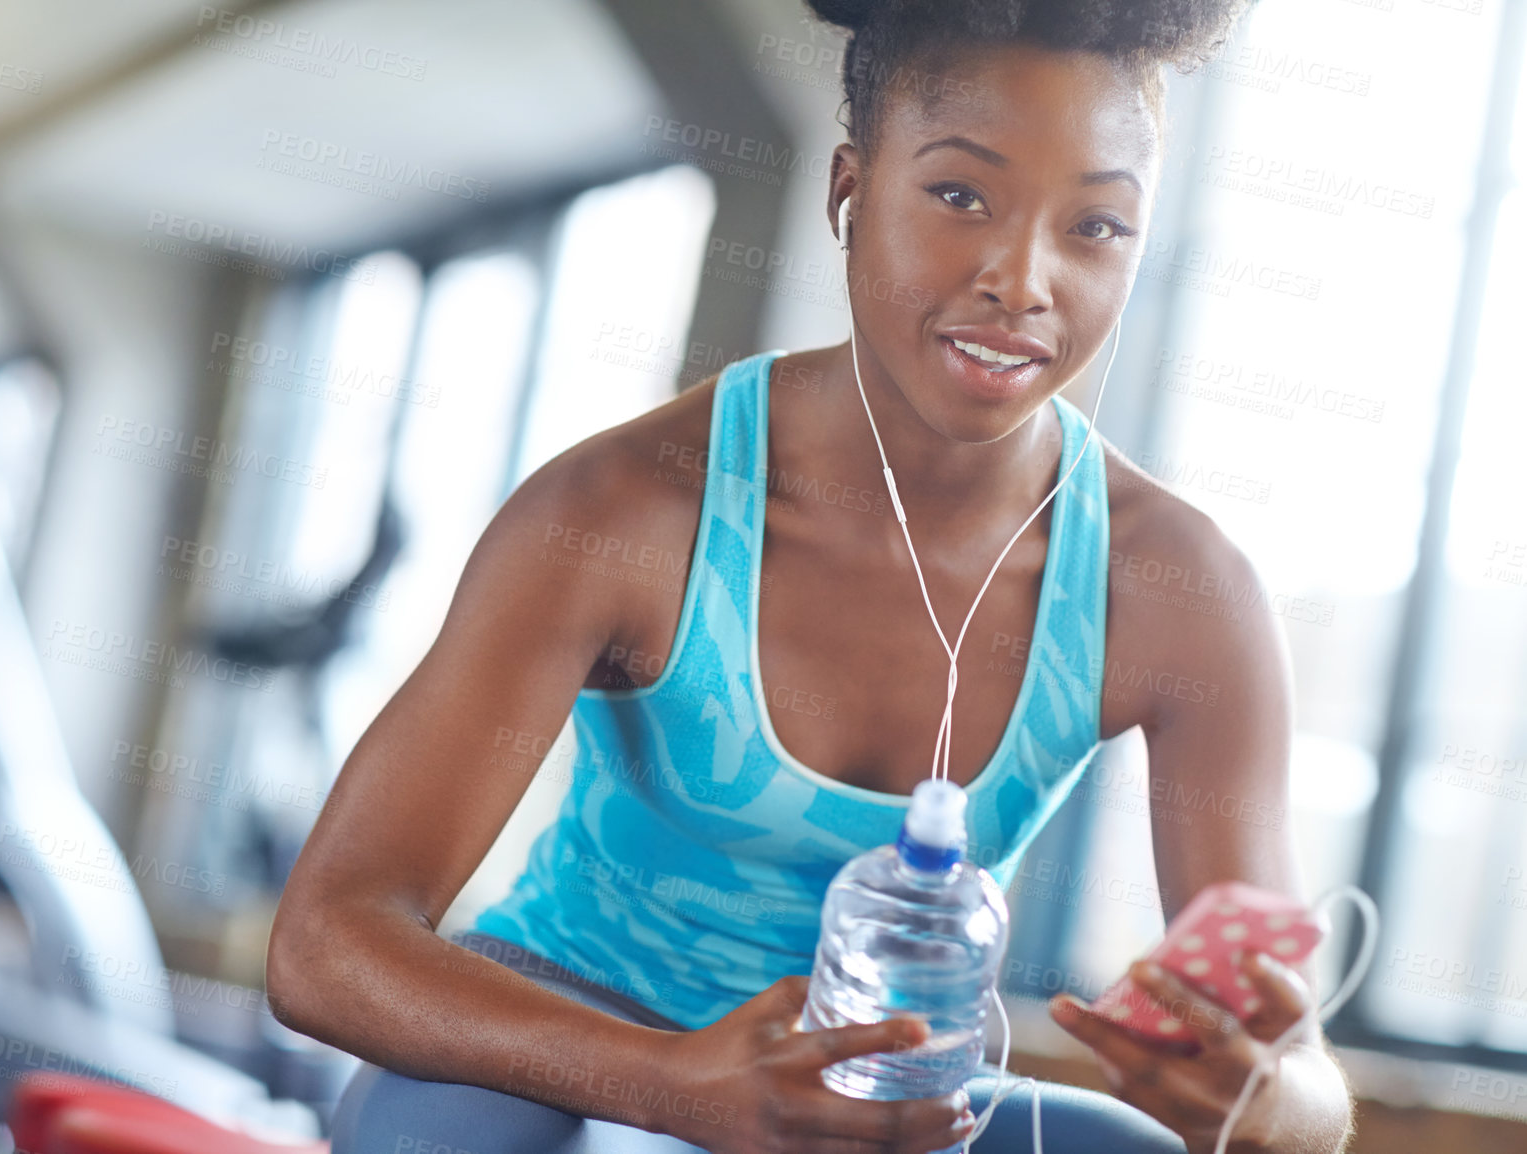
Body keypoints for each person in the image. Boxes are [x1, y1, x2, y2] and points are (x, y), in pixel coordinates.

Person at [267, 0, 1357, 1150]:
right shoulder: (625, 510)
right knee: (447, 1128)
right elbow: (328, 940)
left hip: (885, 1102)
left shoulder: (1178, 590)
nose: (1021, 278)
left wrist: (1268, 1101)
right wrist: (678, 1086)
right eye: (958, 196)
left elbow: (1307, 1082)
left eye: (1094, 226)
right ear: (848, 190)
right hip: (584, 1060)